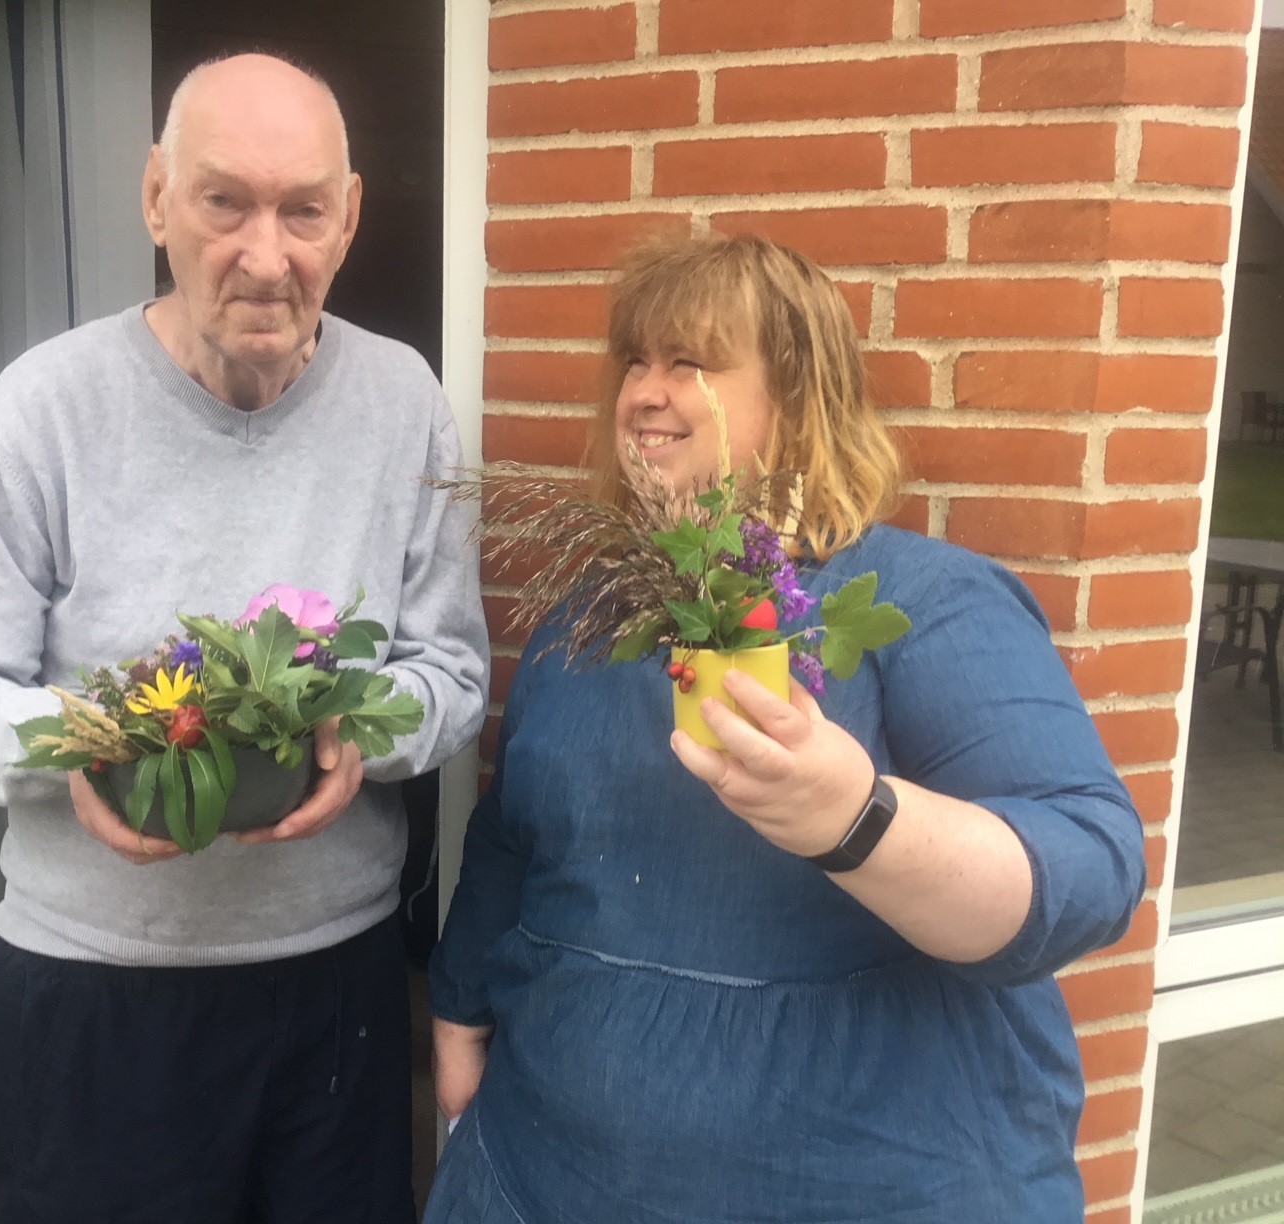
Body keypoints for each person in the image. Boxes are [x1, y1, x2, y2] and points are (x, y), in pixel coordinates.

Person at [426, 234, 1144, 1223]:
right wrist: (459, 1006)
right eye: (635, 361)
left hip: (865, 1181)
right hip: (545, 1171)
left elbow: (1091, 867)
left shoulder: (924, 603)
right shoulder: (590, 616)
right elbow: (515, 835)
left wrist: (855, 819)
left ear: (800, 398)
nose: (646, 393)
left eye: (690, 362)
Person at [0, 53, 488, 1224]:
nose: (267, 256)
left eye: (304, 210)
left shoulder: (404, 401)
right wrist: (90, 741)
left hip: (336, 991)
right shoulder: (45, 408)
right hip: (92, 1000)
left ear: (349, 217)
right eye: (225, 202)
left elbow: (455, 671)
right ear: (156, 198)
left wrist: (355, 736)